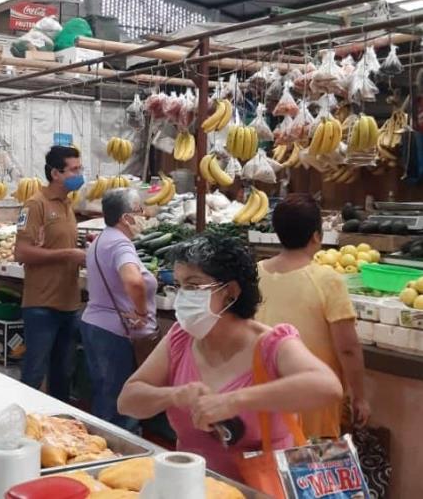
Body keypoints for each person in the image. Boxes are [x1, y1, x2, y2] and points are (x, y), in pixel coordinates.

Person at [117, 233, 343, 482]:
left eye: (193, 286)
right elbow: (128, 400)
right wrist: (173, 395)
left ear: (231, 292)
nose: (183, 297)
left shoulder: (272, 345)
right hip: (194, 486)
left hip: (262, 490)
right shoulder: (181, 338)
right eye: (179, 286)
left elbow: (327, 387)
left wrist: (234, 401)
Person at [256, 193, 370, 438]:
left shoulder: (255, 273)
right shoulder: (327, 280)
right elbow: (348, 348)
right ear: (317, 236)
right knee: (309, 471)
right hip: (313, 400)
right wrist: (359, 397)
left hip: (262, 395)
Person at [14, 145, 86, 402]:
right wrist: (68, 255)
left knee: (63, 375)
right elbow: (21, 252)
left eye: (80, 168)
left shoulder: (68, 205)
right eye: (74, 169)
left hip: (69, 304)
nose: (80, 174)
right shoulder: (35, 205)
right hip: (42, 305)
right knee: (34, 373)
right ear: (56, 173)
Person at [81, 188, 157, 431]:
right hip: (114, 332)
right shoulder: (121, 245)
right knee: (118, 403)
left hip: (96, 325)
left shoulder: (102, 239)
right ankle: (120, 455)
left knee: (105, 394)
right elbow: (133, 281)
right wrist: (142, 313)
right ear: (126, 218)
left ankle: (103, 446)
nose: (144, 215)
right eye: (139, 211)